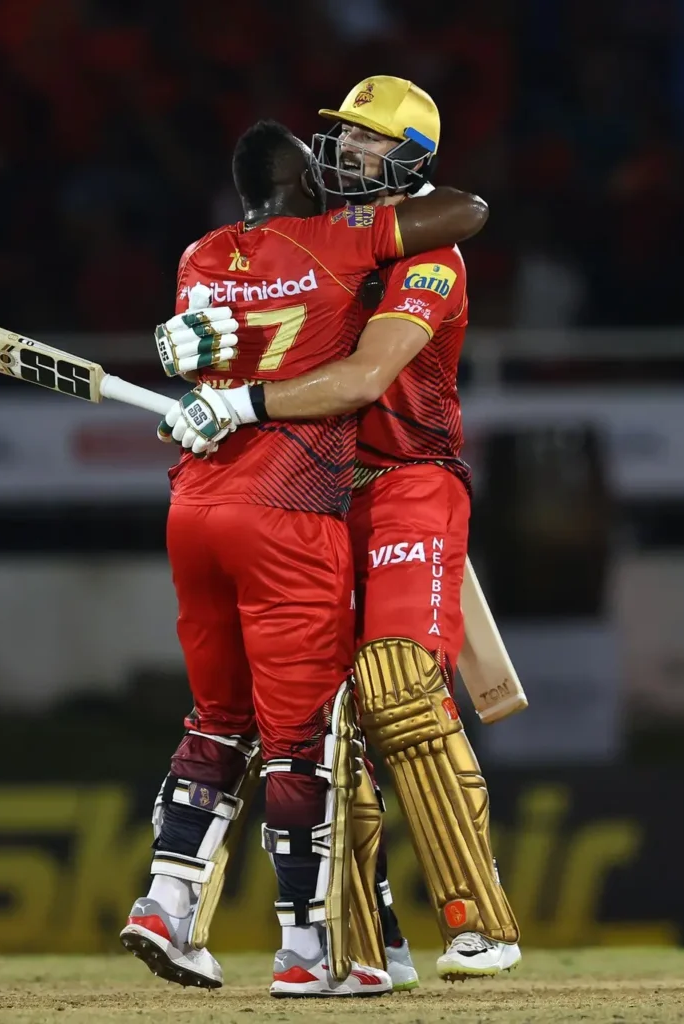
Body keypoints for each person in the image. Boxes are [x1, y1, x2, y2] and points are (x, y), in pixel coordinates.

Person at [161, 77, 521, 981]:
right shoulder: (320, 243)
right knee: (319, 728)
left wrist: (239, 402)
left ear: (408, 160)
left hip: (407, 483)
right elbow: (249, 319)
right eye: (341, 136)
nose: (344, 151)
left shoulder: (427, 256)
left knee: (399, 686)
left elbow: (363, 380)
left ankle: (480, 920)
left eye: (366, 139)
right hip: (313, 495)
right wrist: (198, 358)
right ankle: (367, 948)